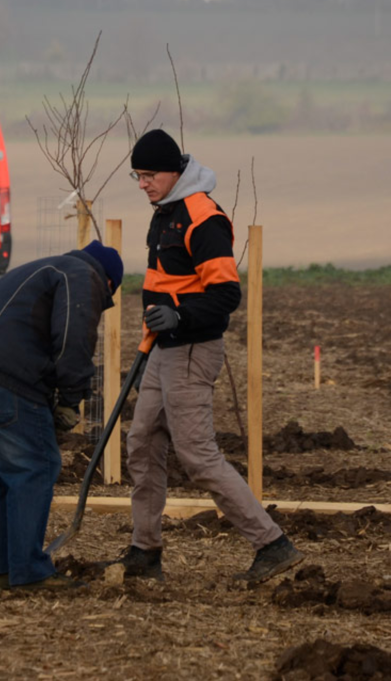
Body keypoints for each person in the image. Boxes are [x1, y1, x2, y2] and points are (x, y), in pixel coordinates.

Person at [117, 128, 303, 585]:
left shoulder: (203, 219)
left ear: (172, 171)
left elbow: (225, 296)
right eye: (137, 176)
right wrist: (145, 354)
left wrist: (179, 316)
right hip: (162, 351)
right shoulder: (165, 212)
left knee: (198, 456)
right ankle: (144, 552)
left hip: (192, 350)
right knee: (142, 444)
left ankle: (272, 544)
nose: (142, 184)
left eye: (148, 175)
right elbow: (161, 288)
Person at [0, 240, 124, 592]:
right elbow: (74, 336)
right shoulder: (82, 276)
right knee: (34, 467)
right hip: (7, 374)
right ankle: (29, 572)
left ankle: (0, 571)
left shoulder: (42, 269)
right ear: (107, 282)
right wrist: (70, 399)